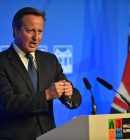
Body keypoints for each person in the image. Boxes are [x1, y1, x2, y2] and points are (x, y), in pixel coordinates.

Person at [0, 7, 82, 140]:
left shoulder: (50, 60)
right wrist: (47, 95)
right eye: (30, 31)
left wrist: (69, 96)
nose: (36, 38)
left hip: (49, 136)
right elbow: (8, 104)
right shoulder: (2, 62)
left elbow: (75, 95)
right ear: (16, 31)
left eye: (40, 31)